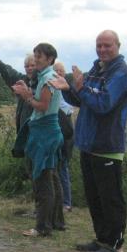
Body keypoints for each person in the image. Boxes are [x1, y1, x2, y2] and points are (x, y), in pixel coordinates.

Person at [51, 30, 127, 252]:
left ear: (118, 46)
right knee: (95, 197)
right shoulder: (97, 70)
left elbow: (103, 103)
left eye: (107, 45)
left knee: (110, 198)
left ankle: (115, 245)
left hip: (107, 144)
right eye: (99, 45)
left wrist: (81, 88)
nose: (102, 50)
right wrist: (68, 88)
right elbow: (82, 100)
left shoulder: (121, 73)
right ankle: (101, 239)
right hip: (88, 143)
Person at [11, 43, 65, 237]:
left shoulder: (48, 78)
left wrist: (26, 96)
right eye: (35, 56)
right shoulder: (47, 76)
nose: (36, 60)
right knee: (51, 177)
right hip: (47, 132)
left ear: (50, 59)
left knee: (42, 180)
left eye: (39, 56)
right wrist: (28, 90)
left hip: (45, 134)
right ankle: (56, 222)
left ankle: (43, 227)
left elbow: (42, 106)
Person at [0, 42, 37, 133]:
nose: (29, 68)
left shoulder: (44, 82)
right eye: (27, 66)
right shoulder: (23, 80)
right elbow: (8, 72)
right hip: (24, 130)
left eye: (32, 65)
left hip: (38, 130)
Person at [54, 61, 75, 212]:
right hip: (57, 127)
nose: (59, 73)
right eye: (56, 71)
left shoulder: (66, 89)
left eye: (61, 71)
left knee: (62, 166)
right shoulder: (52, 87)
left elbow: (67, 110)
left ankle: (66, 202)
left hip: (65, 127)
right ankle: (57, 201)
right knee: (55, 167)